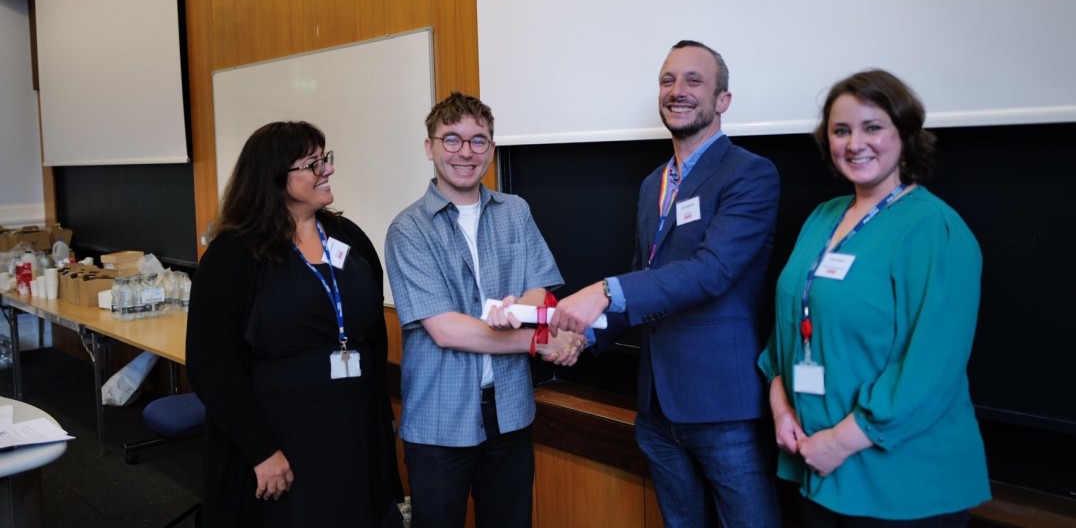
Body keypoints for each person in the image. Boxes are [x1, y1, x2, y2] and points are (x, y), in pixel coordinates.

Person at [550, 40, 783, 527]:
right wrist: (583, 336)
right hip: (656, 408)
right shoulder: (652, 183)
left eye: (694, 80)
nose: (678, 90)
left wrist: (605, 291)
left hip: (724, 410)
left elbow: (712, 271)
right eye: (667, 80)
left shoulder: (751, 175)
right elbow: (646, 277)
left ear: (723, 99)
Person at [758, 70, 990, 526]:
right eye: (841, 130)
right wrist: (780, 404)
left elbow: (931, 367)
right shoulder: (822, 217)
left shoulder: (934, 229)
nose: (855, 143)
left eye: (872, 127)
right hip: (815, 468)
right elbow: (790, 321)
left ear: (904, 133)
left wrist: (839, 441)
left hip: (901, 483)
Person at [186, 121, 403, 528]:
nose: (328, 169)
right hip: (281, 439)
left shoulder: (349, 238)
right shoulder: (233, 255)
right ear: (273, 177)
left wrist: (380, 416)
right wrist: (260, 450)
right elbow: (210, 363)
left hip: (355, 431)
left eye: (326, 158)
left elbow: (373, 336)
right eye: (313, 163)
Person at [384, 92, 584, 528]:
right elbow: (445, 330)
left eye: (478, 141)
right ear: (430, 147)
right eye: (451, 139)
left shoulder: (515, 211)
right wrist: (539, 343)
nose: (465, 152)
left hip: (509, 411)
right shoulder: (408, 229)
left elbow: (538, 289)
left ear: (491, 149)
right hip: (439, 418)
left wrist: (522, 310)